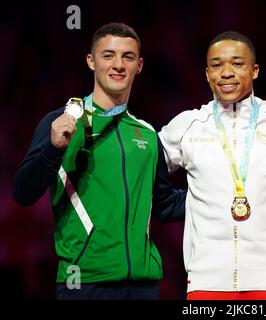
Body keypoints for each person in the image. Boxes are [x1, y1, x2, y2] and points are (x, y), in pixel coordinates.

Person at [12, 22, 186, 300]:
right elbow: (23, 193)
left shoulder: (147, 133)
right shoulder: (61, 123)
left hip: (143, 287)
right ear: (91, 61)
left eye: (127, 57)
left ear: (139, 65)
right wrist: (53, 149)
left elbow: (164, 204)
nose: (118, 64)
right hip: (83, 283)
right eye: (108, 55)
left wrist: (218, 194)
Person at [159, 31, 266, 300]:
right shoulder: (186, 125)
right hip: (205, 282)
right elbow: (141, 170)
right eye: (217, 65)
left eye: (237, 63)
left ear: (254, 70)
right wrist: (184, 204)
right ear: (206, 73)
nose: (226, 73)